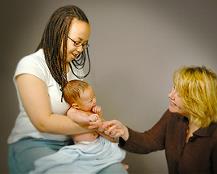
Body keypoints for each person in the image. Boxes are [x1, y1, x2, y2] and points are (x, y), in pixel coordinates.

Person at [8, 5, 127, 174]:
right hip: (33, 143)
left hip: (72, 144)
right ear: (58, 33)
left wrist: (101, 126)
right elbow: (44, 122)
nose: (80, 50)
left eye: (84, 44)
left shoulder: (74, 70)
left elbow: (84, 109)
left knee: (116, 171)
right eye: (77, 42)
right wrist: (95, 125)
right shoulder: (31, 65)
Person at [91, 66, 217, 174]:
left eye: (179, 93)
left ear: (198, 98)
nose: (170, 95)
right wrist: (123, 131)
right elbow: (149, 141)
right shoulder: (174, 116)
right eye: (173, 88)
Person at [30, 80, 126, 174]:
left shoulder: (90, 109)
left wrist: (98, 112)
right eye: (90, 100)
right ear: (76, 105)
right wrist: (88, 119)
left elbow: (100, 120)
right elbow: (78, 119)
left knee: (112, 148)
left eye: (94, 97)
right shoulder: (73, 111)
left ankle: (112, 162)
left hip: (97, 141)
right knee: (76, 160)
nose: (94, 101)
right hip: (83, 146)